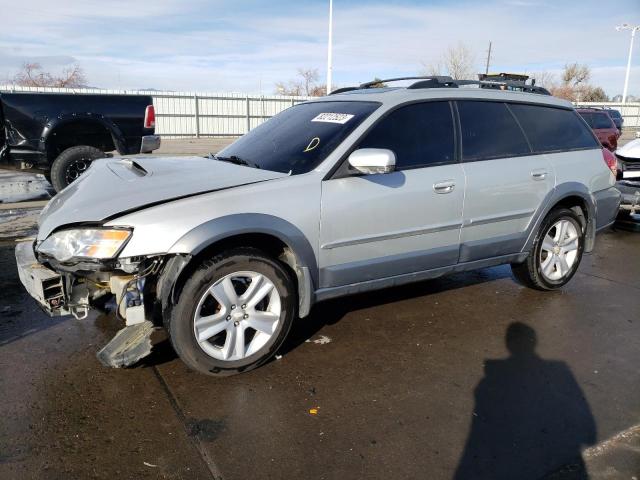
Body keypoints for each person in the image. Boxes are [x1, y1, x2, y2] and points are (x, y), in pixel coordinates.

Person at [454, 322, 596, 479]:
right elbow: (586, 425)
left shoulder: (490, 380)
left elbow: (482, 429)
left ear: (508, 343)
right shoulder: (559, 370)